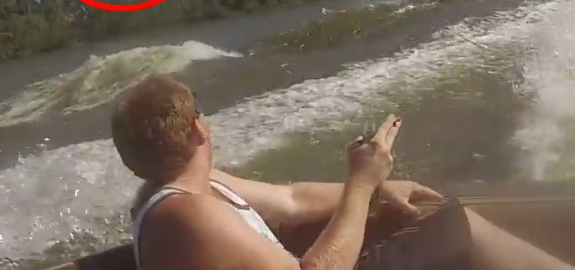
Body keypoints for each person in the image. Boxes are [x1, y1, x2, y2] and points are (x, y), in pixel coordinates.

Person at [111, 74, 574, 270]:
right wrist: (361, 182)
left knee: (428, 220)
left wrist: (379, 187)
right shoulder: (185, 214)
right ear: (198, 128)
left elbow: (292, 200)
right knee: (455, 231)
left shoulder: (198, 188)